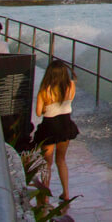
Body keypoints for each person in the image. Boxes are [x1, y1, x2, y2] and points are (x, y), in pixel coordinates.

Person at [33, 60, 79, 202]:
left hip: (49, 126)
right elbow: (70, 100)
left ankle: (45, 196)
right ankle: (66, 193)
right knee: (61, 160)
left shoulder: (45, 90)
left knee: (47, 163)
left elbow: (39, 113)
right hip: (65, 125)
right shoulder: (71, 86)